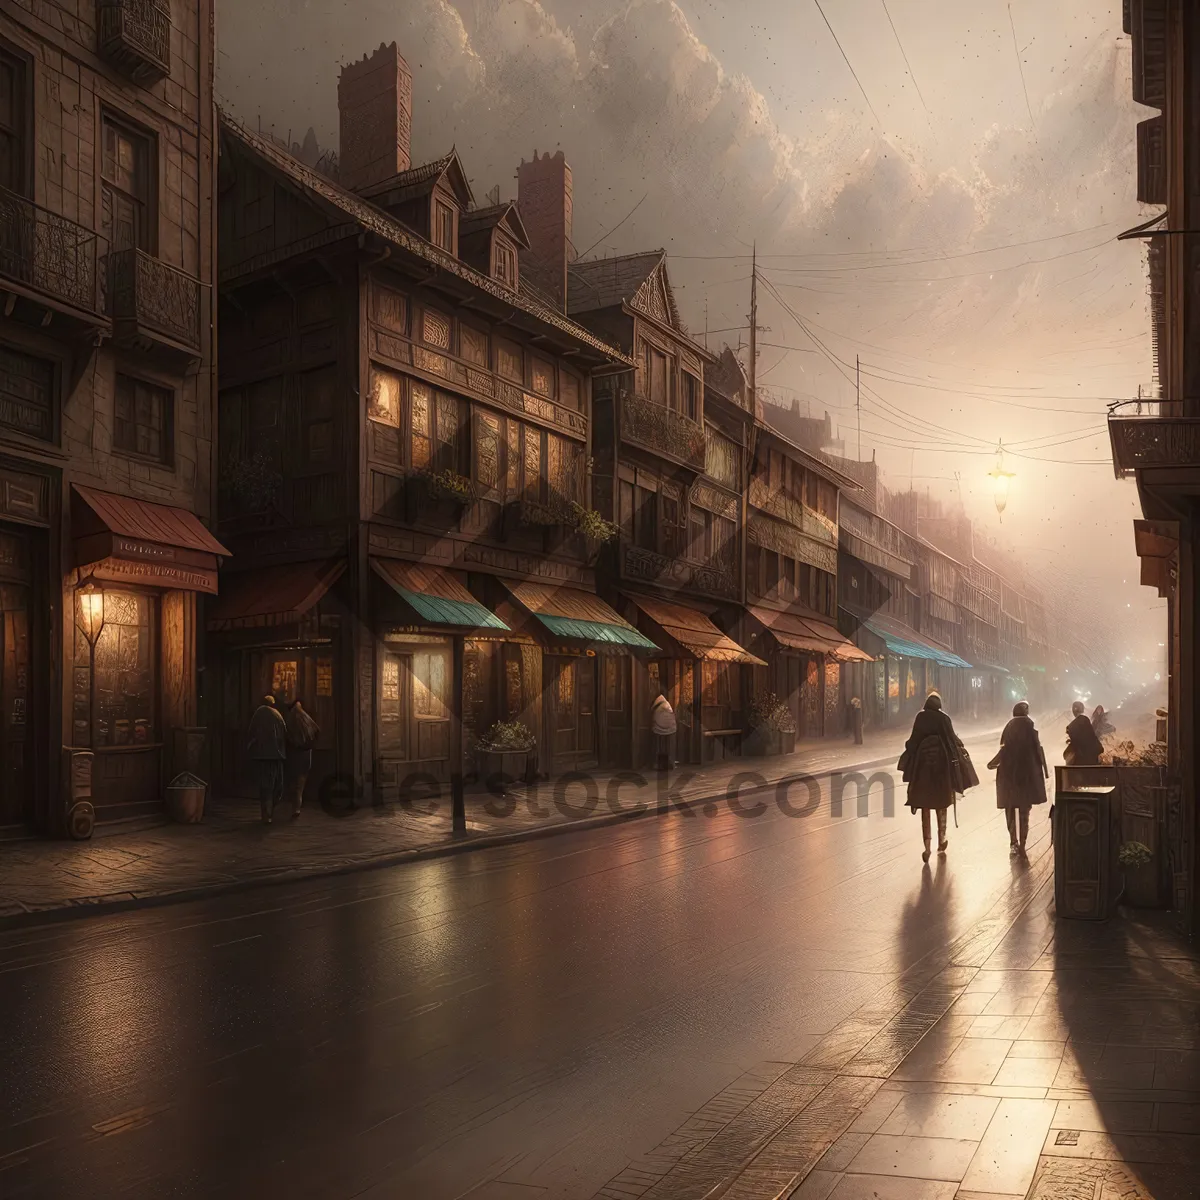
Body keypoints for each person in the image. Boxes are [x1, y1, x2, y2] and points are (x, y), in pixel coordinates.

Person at [899, 692, 976, 863]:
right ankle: (942, 840)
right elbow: (952, 740)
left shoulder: (920, 718)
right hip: (942, 770)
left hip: (922, 770)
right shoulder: (944, 719)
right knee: (942, 805)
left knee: (925, 808)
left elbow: (913, 742)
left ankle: (927, 847)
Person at [988, 701, 1049, 855]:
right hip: (1026, 776)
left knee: (1009, 808)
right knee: (1024, 809)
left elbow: (1003, 749)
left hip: (1008, 775)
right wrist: (1041, 769)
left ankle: (1013, 840)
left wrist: (993, 763)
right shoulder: (1030, 726)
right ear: (1025, 711)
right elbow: (1037, 749)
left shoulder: (1008, 727)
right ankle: (1023, 841)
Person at [247, 694, 287, 824]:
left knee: (265, 787)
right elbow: (285, 733)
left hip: (262, 756)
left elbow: (251, 732)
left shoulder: (258, 714)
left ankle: (265, 814)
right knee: (276, 786)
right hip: (276, 756)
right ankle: (269, 812)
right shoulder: (278, 715)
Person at [284, 699, 321, 818]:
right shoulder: (306, 719)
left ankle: (293, 806)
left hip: (294, 754)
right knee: (300, 784)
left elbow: (285, 737)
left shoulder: (289, 721)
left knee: (293, 781)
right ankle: (297, 808)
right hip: (306, 754)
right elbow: (317, 731)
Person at [1065, 700, 1104, 766]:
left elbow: (1074, 743)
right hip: (1090, 759)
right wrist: (1100, 749)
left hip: (1078, 761)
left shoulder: (1070, 726)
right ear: (1082, 709)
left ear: (1073, 711)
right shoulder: (1085, 720)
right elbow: (1091, 737)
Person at [651, 691, 677, 773]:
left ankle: (659, 764)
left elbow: (656, 718)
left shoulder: (659, 707)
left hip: (658, 730)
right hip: (671, 730)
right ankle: (669, 764)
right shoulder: (667, 705)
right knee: (668, 748)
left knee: (659, 748)